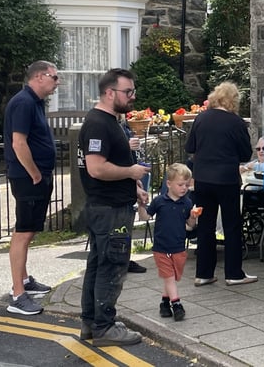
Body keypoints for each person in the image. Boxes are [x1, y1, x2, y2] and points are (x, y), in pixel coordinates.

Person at [78, 68, 150, 346]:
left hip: (107, 205)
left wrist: (134, 186)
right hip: (110, 210)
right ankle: (104, 327)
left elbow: (111, 165)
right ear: (110, 93)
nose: (132, 97)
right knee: (112, 267)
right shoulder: (99, 123)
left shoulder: (109, 122)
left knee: (98, 264)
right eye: (127, 92)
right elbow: (97, 168)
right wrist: (132, 172)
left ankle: (91, 323)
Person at [3, 61, 60, 315]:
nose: (57, 82)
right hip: (28, 178)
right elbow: (18, 143)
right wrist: (35, 173)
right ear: (39, 76)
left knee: (30, 230)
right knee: (23, 232)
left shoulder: (34, 102)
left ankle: (25, 281)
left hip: (37, 176)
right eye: (54, 77)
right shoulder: (24, 102)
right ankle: (17, 294)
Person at [185, 82, 255, 287]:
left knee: (205, 225)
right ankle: (234, 273)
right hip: (226, 179)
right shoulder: (235, 122)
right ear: (233, 100)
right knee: (232, 225)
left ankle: (204, 273)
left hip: (203, 179)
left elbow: (190, 146)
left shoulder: (201, 118)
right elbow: (245, 154)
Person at [137, 163, 199, 321]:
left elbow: (190, 227)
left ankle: (164, 302)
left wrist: (193, 217)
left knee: (172, 277)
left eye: (186, 184)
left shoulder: (187, 203)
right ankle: (176, 304)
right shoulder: (159, 201)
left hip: (178, 246)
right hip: (161, 247)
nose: (184, 188)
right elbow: (145, 218)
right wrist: (141, 205)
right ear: (169, 184)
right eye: (180, 184)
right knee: (169, 276)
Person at [121, 120, 148, 274]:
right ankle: (121, 261)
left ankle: (126, 258)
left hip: (130, 180)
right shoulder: (104, 124)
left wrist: (135, 180)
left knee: (127, 224)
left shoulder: (123, 124)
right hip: (117, 188)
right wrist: (126, 146)